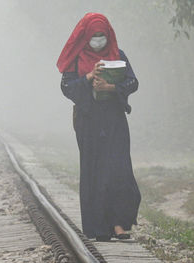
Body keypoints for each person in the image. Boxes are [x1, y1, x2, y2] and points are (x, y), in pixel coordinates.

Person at [57, 13, 141, 241]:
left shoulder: (118, 55)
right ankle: (98, 228)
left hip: (114, 121)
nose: (98, 40)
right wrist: (88, 77)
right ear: (85, 36)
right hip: (88, 122)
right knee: (95, 171)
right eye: (93, 36)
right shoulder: (76, 59)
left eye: (102, 35)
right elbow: (66, 87)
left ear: (108, 35)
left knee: (119, 169)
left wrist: (111, 86)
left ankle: (119, 224)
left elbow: (133, 82)